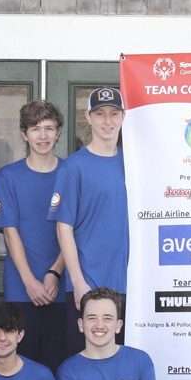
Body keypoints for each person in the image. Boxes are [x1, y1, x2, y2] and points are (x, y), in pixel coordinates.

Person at [0, 100, 76, 368]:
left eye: (49, 128)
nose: (42, 136)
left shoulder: (71, 172)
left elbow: (73, 229)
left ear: (59, 132)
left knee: (59, 365)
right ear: (23, 133)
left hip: (63, 286)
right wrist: (30, 281)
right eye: (35, 129)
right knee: (24, 367)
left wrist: (54, 273)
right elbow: (10, 232)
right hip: (21, 289)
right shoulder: (8, 177)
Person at [51, 87, 130, 315]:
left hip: (129, 284)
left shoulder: (133, 163)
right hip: (88, 285)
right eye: (99, 113)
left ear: (123, 116)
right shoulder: (73, 167)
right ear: (88, 117)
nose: (107, 121)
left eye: (114, 113)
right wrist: (77, 282)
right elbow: (63, 228)